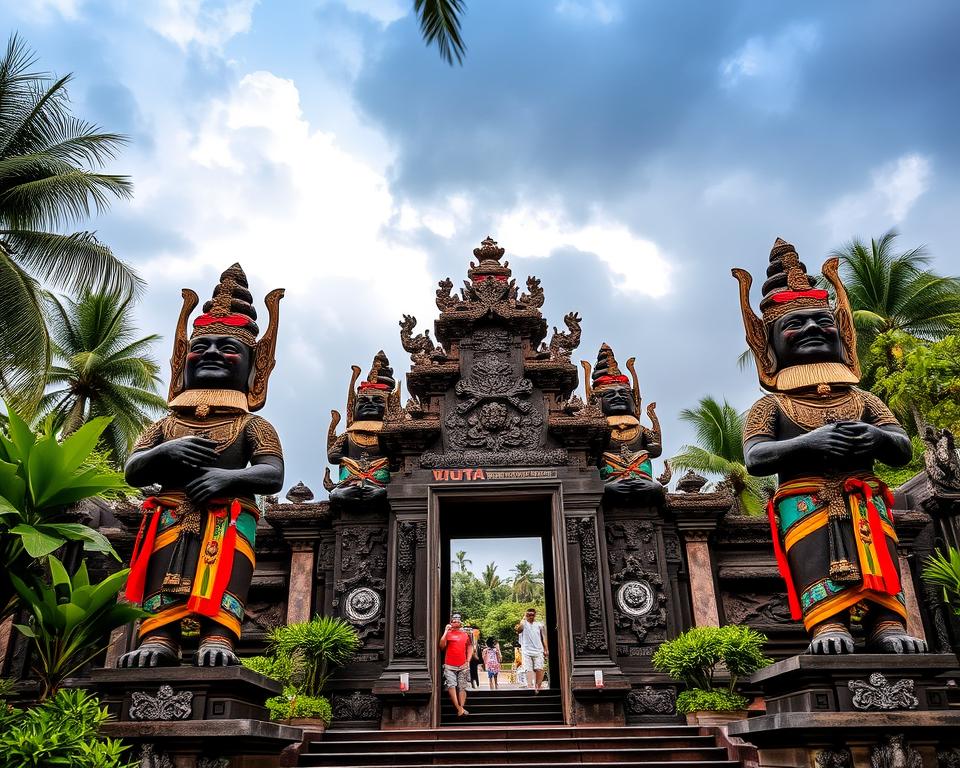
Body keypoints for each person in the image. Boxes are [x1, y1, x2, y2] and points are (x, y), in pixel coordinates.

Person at [734, 239, 926, 655]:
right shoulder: (772, 405)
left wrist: (876, 437)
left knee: (879, 555)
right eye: (795, 325)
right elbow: (755, 457)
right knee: (814, 558)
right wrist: (808, 442)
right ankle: (827, 623)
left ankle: (887, 622)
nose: (811, 330)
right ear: (770, 343)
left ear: (842, 334)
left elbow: (901, 448)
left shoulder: (866, 400)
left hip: (864, 495)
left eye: (822, 322)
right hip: (805, 500)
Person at [118, 264, 285, 668]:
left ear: (252, 367)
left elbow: (272, 474)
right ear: (183, 361)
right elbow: (133, 468)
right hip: (171, 510)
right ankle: (158, 637)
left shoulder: (252, 424)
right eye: (201, 346)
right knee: (164, 571)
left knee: (228, 570)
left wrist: (228, 477)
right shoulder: (164, 424)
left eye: (228, 348)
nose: (211, 353)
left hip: (227, 516)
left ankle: (219, 636)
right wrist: (163, 454)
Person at [439, 612, 473, 715]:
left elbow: (470, 647)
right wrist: (445, 631)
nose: (456, 621)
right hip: (449, 664)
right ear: (450, 622)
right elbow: (441, 646)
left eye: (458, 620)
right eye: (454, 620)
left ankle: (461, 707)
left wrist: (468, 660)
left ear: (461, 622)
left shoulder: (465, 634)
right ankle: (458, 707)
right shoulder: (448, 633)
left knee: (462, 686)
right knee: (451, 685)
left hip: (463, 664)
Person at [518, 607, 549, 693]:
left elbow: (544, 638)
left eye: (532, 614)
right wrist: (523, 618)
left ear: (535, 615)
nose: (530, 616)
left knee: (539, 668)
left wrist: (546, 649)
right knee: (528, 669)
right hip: (526, 650)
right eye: (528, 615)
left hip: (538, 650)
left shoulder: (539, 625)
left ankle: (537, 686)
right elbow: (519, 630)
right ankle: (530, 686)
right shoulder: (523, 623)